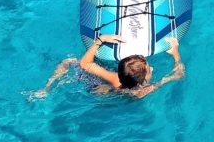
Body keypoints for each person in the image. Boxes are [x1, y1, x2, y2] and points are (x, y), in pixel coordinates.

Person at [26, 34, 185, 100]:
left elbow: (84, 64)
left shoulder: (115, 77)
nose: (150, 68)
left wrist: (100, 40)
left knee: (69, 61)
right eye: (148, 68)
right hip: (107, 94)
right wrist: (175, 53)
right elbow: (179, 74)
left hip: (96, 86)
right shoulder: (142, 92)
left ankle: (45, 89)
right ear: (141, 82)